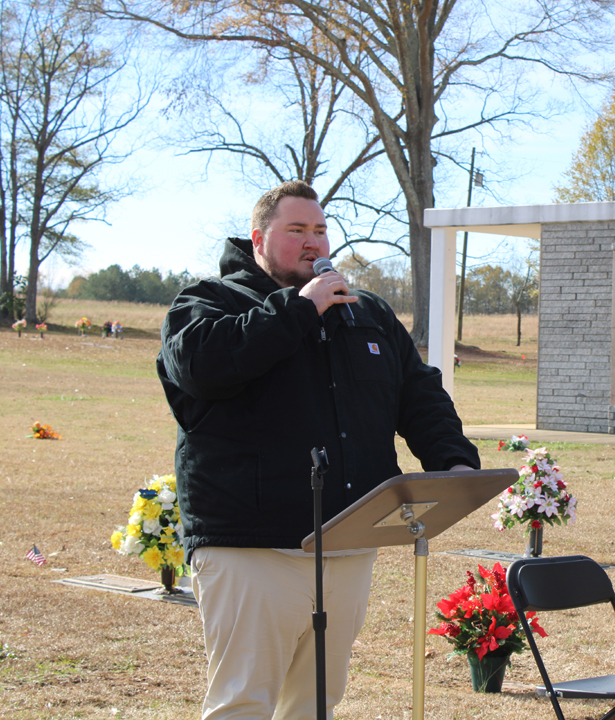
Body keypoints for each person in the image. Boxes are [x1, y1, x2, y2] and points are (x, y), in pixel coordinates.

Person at [157, 180, 480, 720]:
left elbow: (416, 392)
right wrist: (299, 311)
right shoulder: (207, 303)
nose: (313, 242)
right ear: (259, 238)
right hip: (254, 549)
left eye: (320, 230)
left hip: (350, 542)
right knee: (244, 703)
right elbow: (203, 369)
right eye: (296, 230)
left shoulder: (365, 312)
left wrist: (452, 459)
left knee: (316, 703)